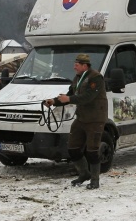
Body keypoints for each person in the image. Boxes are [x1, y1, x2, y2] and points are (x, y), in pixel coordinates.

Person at [43, 54, 108, 189]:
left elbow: (88, 97)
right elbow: (70, 95)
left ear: (85, 66)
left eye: (76, 65)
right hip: (81, 118)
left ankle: (95, 180)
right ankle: (84, 173)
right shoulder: (78, 78)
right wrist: (54, 101)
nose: (74, 67)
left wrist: (69, 99)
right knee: (73, 149)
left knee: (92, 151)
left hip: (95, 120)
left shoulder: (95, 77)